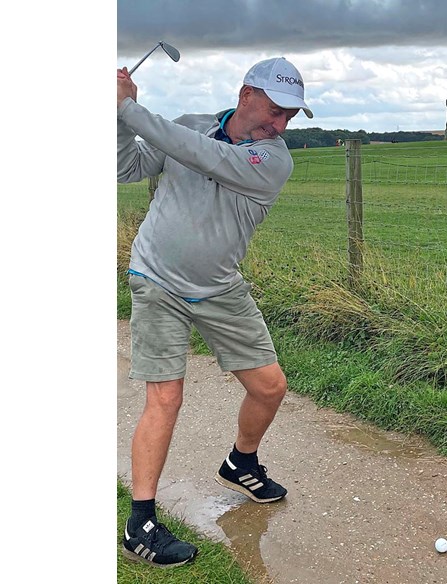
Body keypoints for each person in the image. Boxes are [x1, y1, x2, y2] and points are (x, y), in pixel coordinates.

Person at [117, 56, 313, 567]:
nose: (280, 125)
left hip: (219, 287)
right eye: (275, 110)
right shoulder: (190, 125)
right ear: (246, 94)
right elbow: (125, 168)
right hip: (156, 278)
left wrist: (130, 109)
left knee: (270, 386)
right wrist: (114, 117)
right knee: (166, 398)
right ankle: (140, 524)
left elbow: (204, 157)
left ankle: (240, 462)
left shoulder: (273, 160)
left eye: (290, 116)